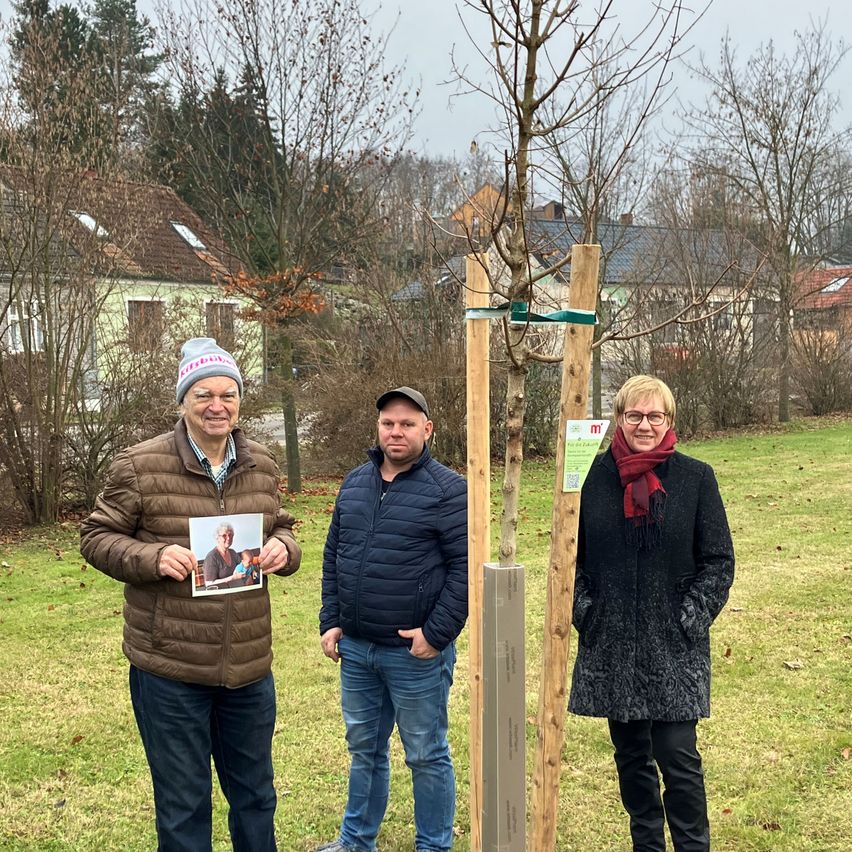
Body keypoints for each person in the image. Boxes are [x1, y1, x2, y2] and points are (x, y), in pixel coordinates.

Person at [80, 337, 301, 852]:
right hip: (172, 669)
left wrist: (283, 549)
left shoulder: (261, 463)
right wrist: (153, 558)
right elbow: (95, 536)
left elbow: (283, 526)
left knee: (256, 797)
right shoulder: (138, 465)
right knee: (183, 804)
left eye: (228, 394)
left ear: (240, 400)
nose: (217, 406)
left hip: (247, 667)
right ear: (183, 401)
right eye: (203, 395)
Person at [569, 375, 735, 852]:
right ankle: (647, 845)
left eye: (655, 416)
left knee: (678, 757)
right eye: (635, 415)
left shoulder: (696, 478)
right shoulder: (589, 479)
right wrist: (587, 612)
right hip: (613, 642)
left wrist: (691, 617)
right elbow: (569, 558)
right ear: (619, 418)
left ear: (669, 420)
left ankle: (692, 845)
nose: (645, 425)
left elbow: (718, 561)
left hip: (673, 644)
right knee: (631, 759)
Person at [318, 387, 468, 852]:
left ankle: (433, 846)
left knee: (426, 754)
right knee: (364, 751)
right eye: (388, 423)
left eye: (407, 424)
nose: (396, 432)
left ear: (428, 429)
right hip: (357, 649)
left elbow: (465, 570)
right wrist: (331, 619)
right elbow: (334, 555)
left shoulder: (449, 490)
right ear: (378, 428)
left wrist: (435, 635)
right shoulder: (355, 483)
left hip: (414, 654)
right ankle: (355, 841)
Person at [202, 522, 240, 586]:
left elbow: (243, 567)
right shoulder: (211, 557)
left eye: (230, 535)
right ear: (217, 538)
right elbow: (209, 584)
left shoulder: (233, 552)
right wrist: (232, 578)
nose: (228, 538)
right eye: (224, 535)